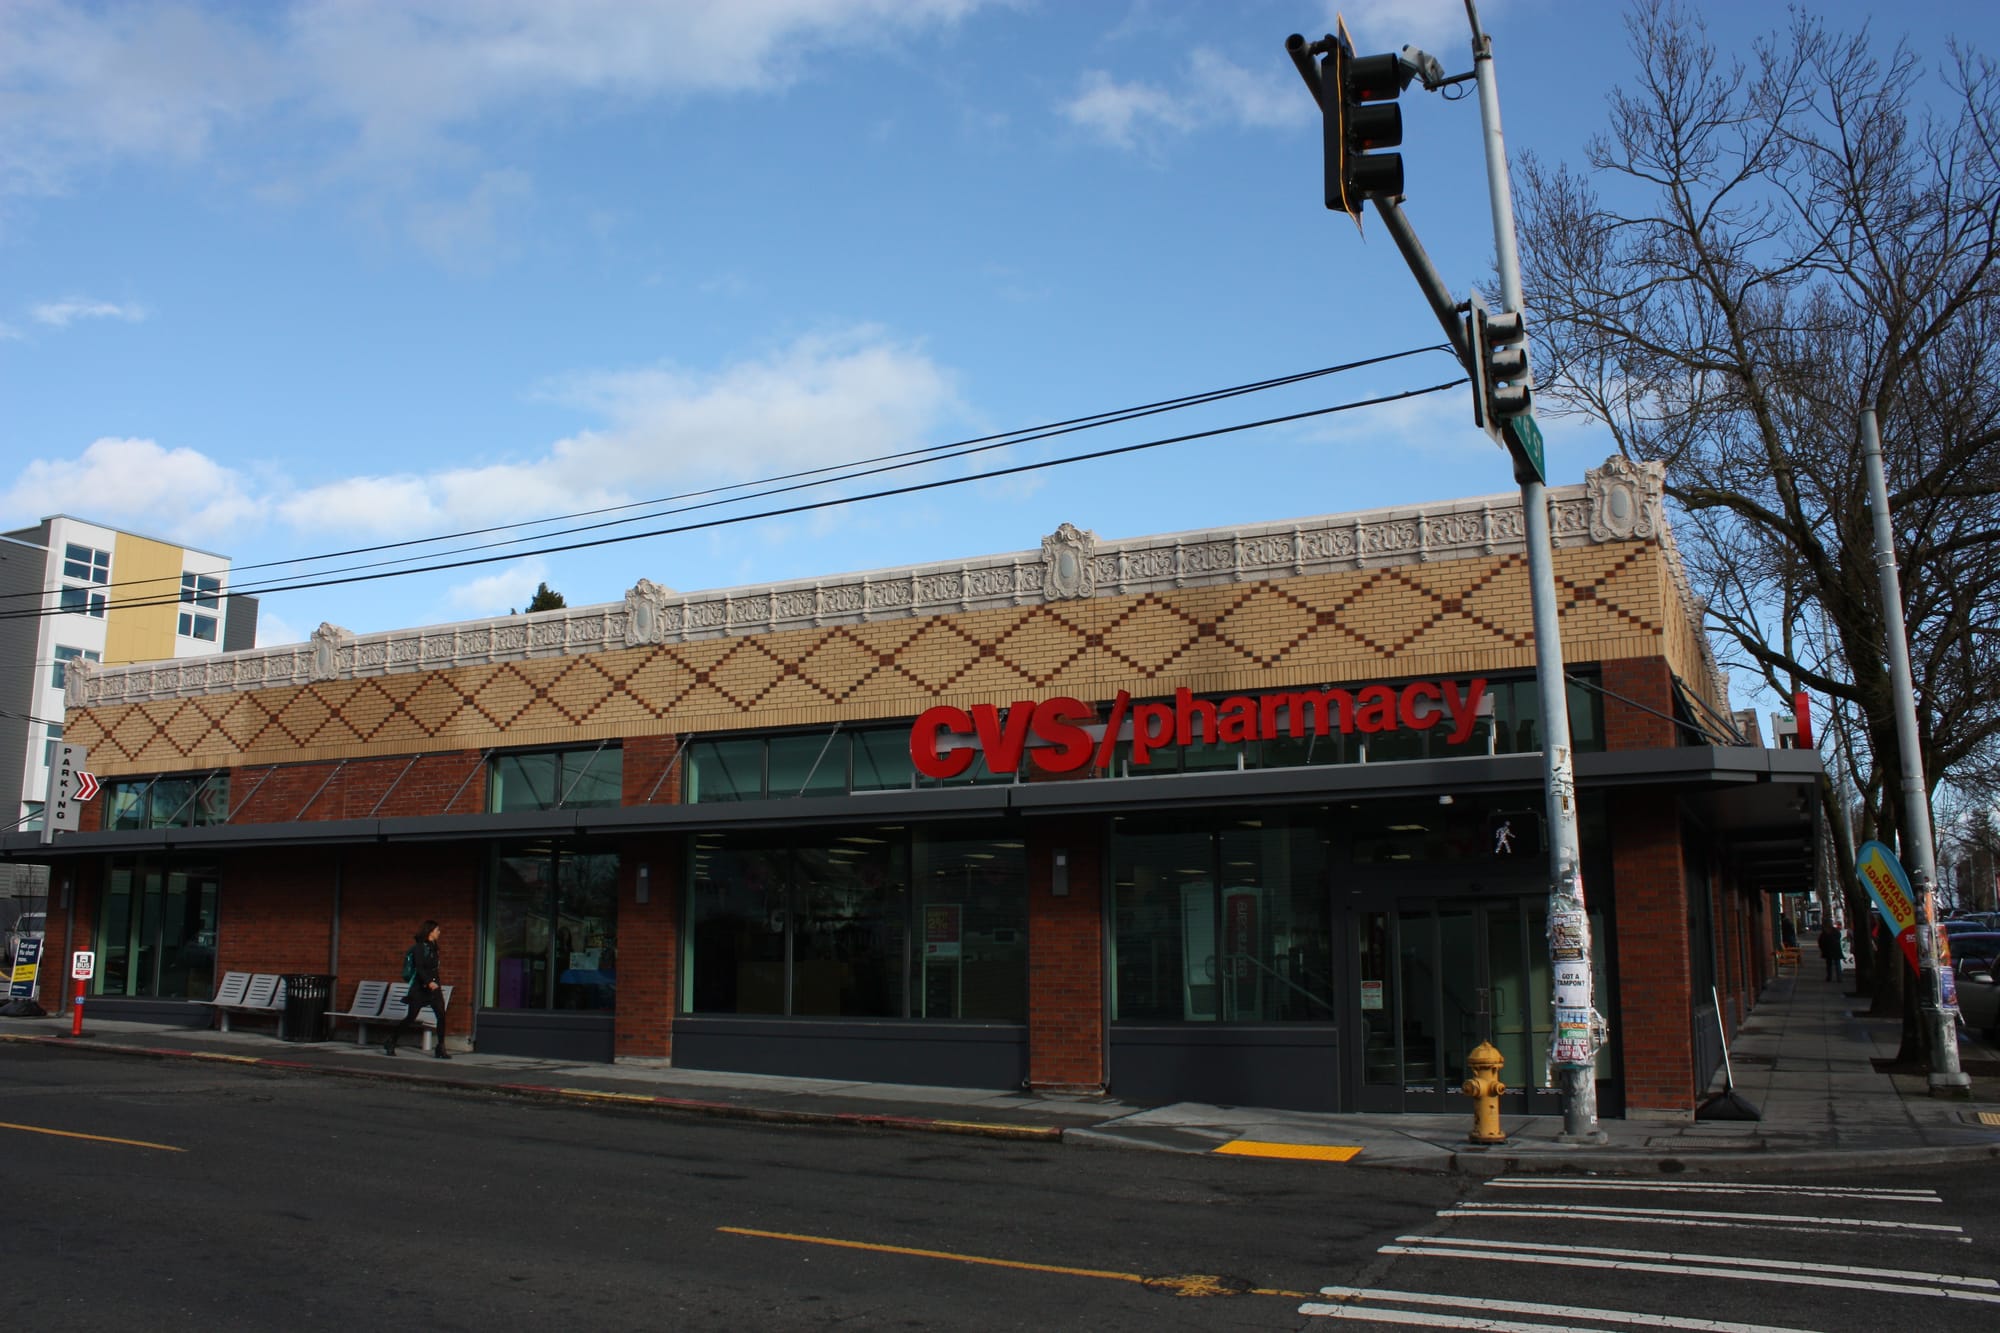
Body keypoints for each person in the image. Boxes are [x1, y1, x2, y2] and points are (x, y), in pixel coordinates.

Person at [384, 919, 451, 1059]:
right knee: (411, 1017)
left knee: (441, 1016)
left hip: (434, 988)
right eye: (437, 930)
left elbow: (434, 969)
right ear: (430, 932)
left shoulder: (434, 947)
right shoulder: (420, 948)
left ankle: (440, 1047)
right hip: (420, 989)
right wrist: (428, 982)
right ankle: (392, 1040)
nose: (439, 932)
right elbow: (419, 968)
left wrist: (435, 983)